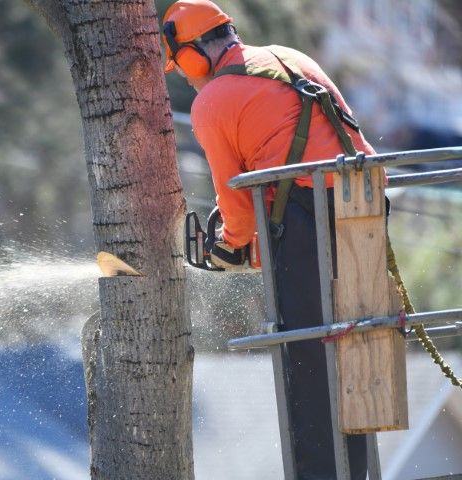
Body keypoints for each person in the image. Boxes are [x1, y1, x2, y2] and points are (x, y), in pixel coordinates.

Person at [161, 1, 376, 478]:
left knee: (310, 359)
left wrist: (231, 247)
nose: (185, 78)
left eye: (182, 67)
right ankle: (356, 469)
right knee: (356, 347)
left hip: (311, 218)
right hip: (363, 206)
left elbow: (235, 208)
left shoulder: (212, 102)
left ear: (194, 56)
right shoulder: (287, 57)